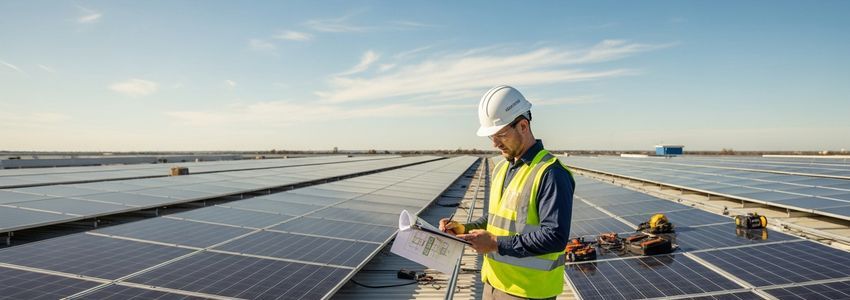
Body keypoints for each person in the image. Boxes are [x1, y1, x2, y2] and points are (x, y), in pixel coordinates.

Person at [440, 85, 575, 300]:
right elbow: (495, 219)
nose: (495, 143)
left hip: (528, 292)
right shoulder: (502, 168)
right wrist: (464, 228)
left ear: (523, 125)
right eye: (491, 136)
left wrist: (495, 244)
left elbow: (555, 237)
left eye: (501, 134)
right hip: (493, 284)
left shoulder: (551, 173)